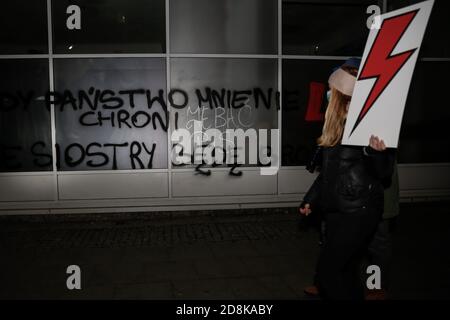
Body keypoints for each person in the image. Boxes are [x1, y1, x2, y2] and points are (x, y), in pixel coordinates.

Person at [299, 58, 395, 300]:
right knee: (343, 270)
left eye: (332, 91)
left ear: (343, 95)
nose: (328, 95)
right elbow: (330, 171)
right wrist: (311, 198)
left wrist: (376, 152)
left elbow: (384, 170)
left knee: (332, 272)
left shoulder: (367, 123)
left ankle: (376, 285)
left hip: (358, 210)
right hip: (337, 207)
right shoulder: (335, 125)